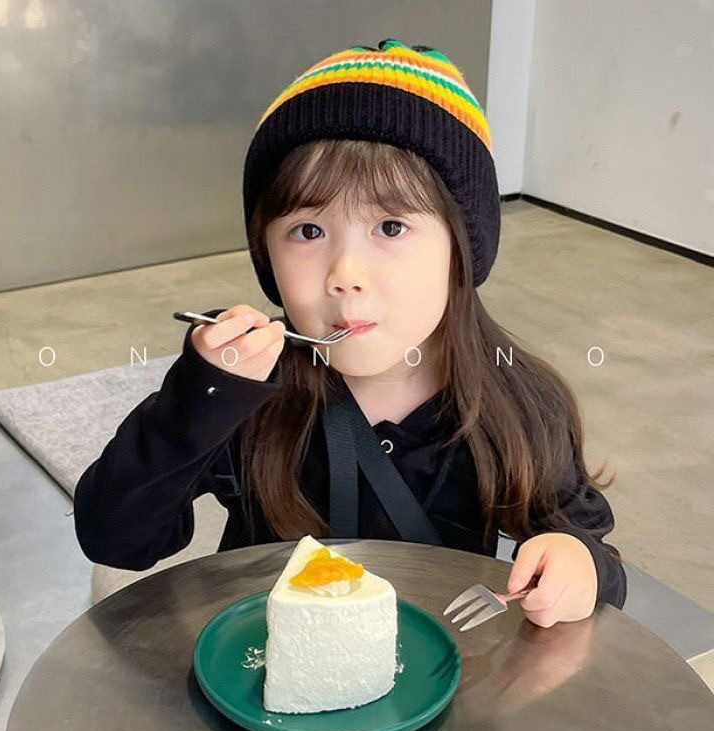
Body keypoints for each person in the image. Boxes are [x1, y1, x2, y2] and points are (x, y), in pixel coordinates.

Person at [74, 39, 627, 627]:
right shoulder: (248, 393)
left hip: (439, 667)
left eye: (391, 226)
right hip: (267, 658)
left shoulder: (520, 399)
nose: (345, 275)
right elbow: (116, 538)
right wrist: (200, 400)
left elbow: (589, 548)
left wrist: (577, 564)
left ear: (461, 250)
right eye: (308, 231)